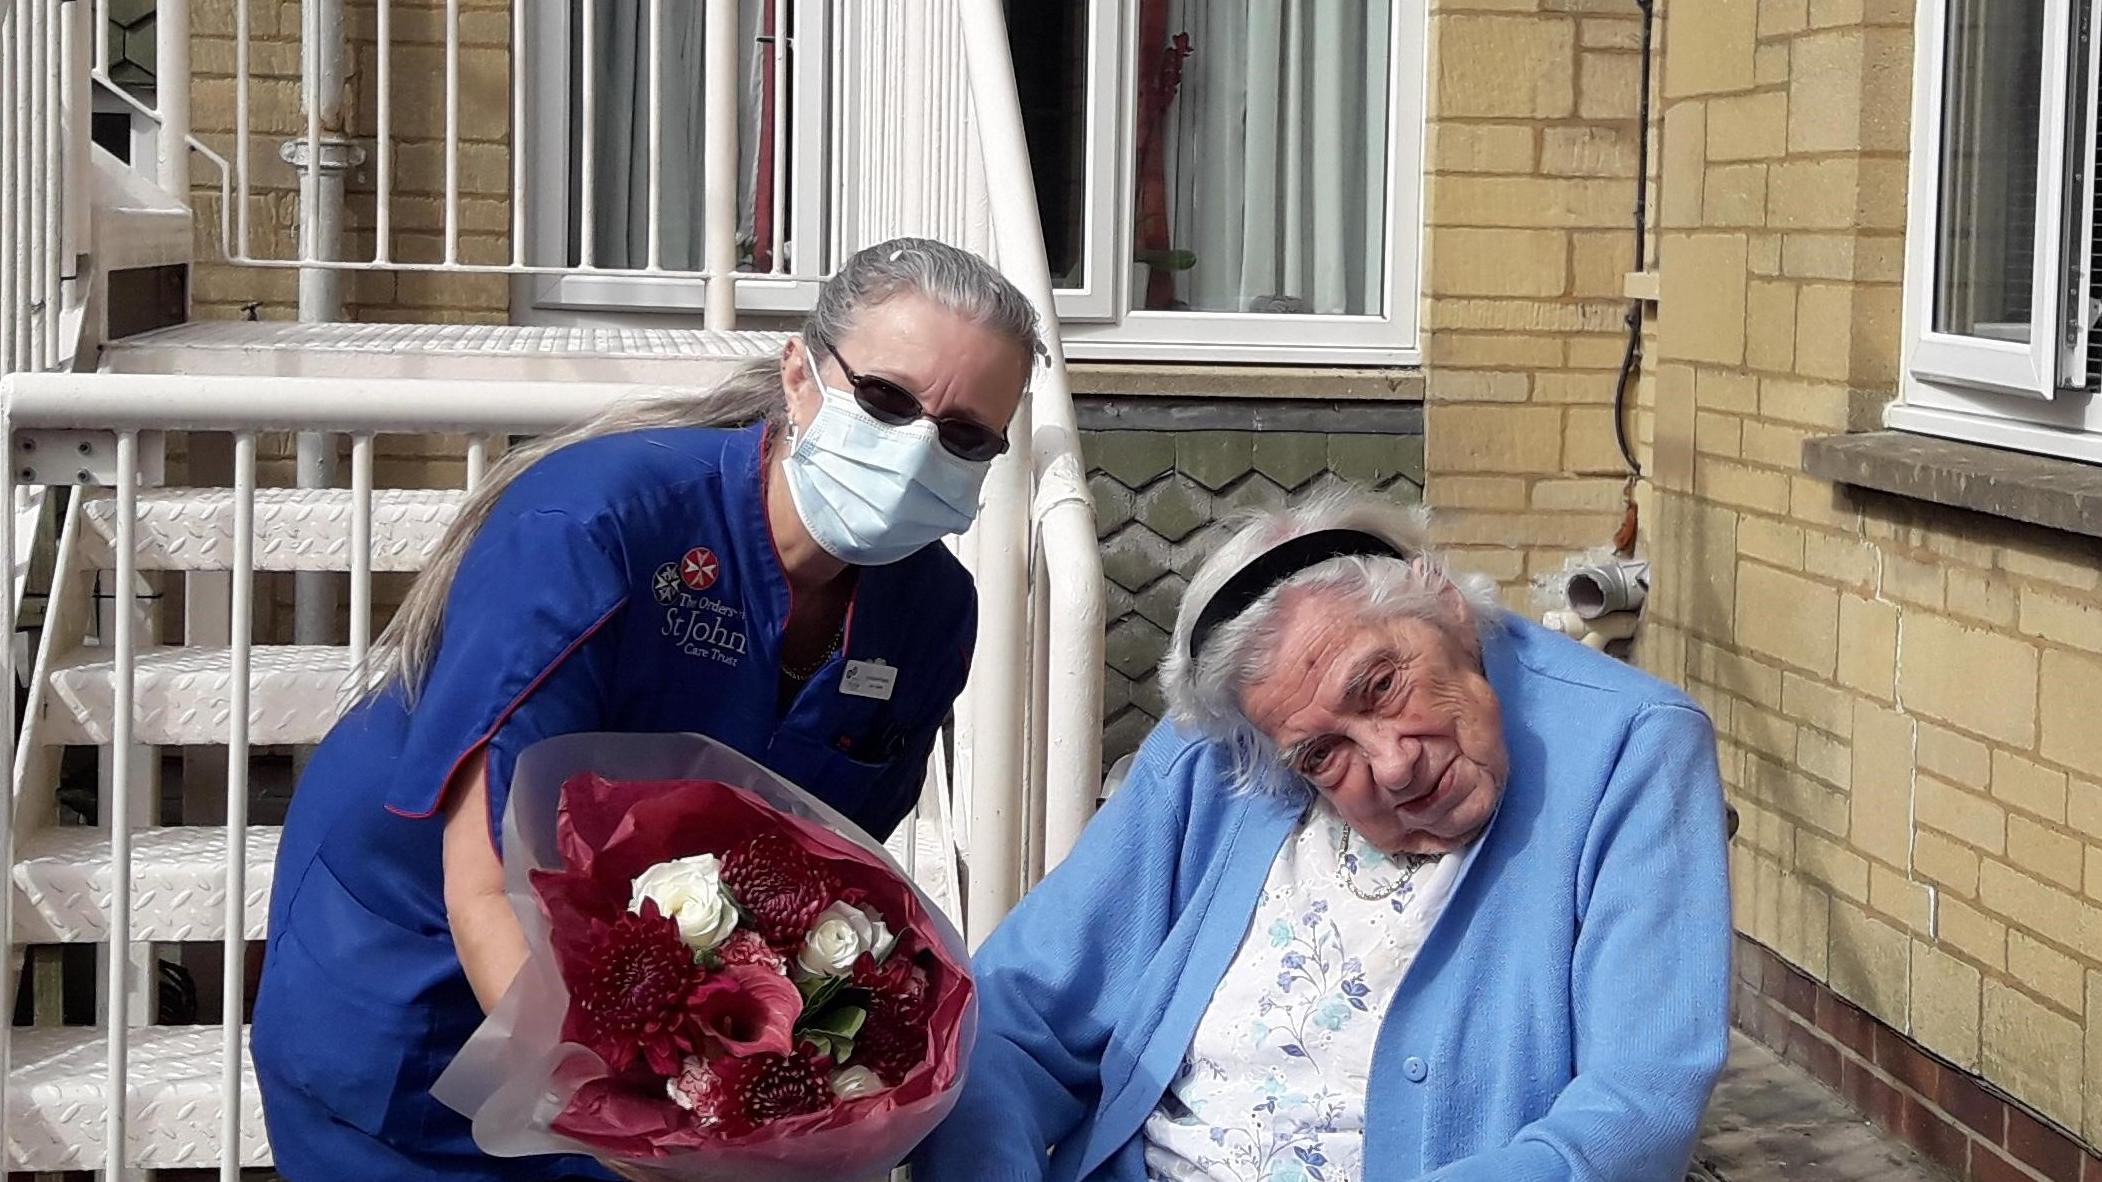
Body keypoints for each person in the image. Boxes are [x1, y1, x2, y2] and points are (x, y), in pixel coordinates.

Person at [253, 238, 1040, 1181]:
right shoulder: (594, 524)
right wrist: (630, 1133)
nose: (918, 446)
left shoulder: (930, 614)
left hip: (673, 1031)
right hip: (421, 988)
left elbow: (816, 881)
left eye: (964, 435)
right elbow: (483, 881)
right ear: (799, 377)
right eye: (885, 399)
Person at [914, 490, 1732, 1182]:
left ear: (1444, 605)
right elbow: (1012, 1021)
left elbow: (1638, 1101)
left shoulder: (1630, 745)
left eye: (1381, 686)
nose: (1392, 765)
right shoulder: (1223, 748)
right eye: (1321, 754)